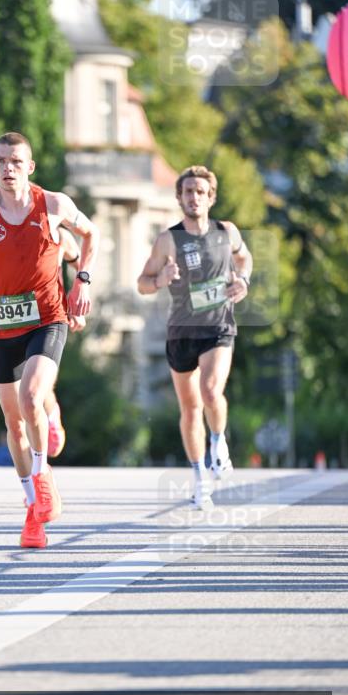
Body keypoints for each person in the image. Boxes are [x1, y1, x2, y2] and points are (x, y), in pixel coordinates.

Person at [0, 131, 99, 549]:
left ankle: (43, 476)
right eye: (1, 161)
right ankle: (33, 511)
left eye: (17, 162)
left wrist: (82, 282)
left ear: (30, 167)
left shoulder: (53, 205)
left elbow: (91, 236)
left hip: (48, 318)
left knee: (31, 398)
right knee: (14, 423)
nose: (8, 169)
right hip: (2, 325)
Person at [137, 165, 252, 509]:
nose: (194, 197)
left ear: (211, 197)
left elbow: (244, 258)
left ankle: (218, 440)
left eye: (200, 192)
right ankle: (199, 478)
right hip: (181, 332)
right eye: (188, 192)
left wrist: (243, 280)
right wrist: (161, 279)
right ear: (179, 198)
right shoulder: (167, 240)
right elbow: (142, 282)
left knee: (210, 390)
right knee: (189, 409)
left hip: (218, 328)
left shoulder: (226, 232)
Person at [0, 224, 85, 458]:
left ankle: (50, 415)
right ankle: (36, 451)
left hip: (47, 320)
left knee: (34, 387)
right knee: (20, 394)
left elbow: (82, 265)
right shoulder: (2, 242)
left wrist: (79, 294)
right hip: (9, 326)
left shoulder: (59, 235)